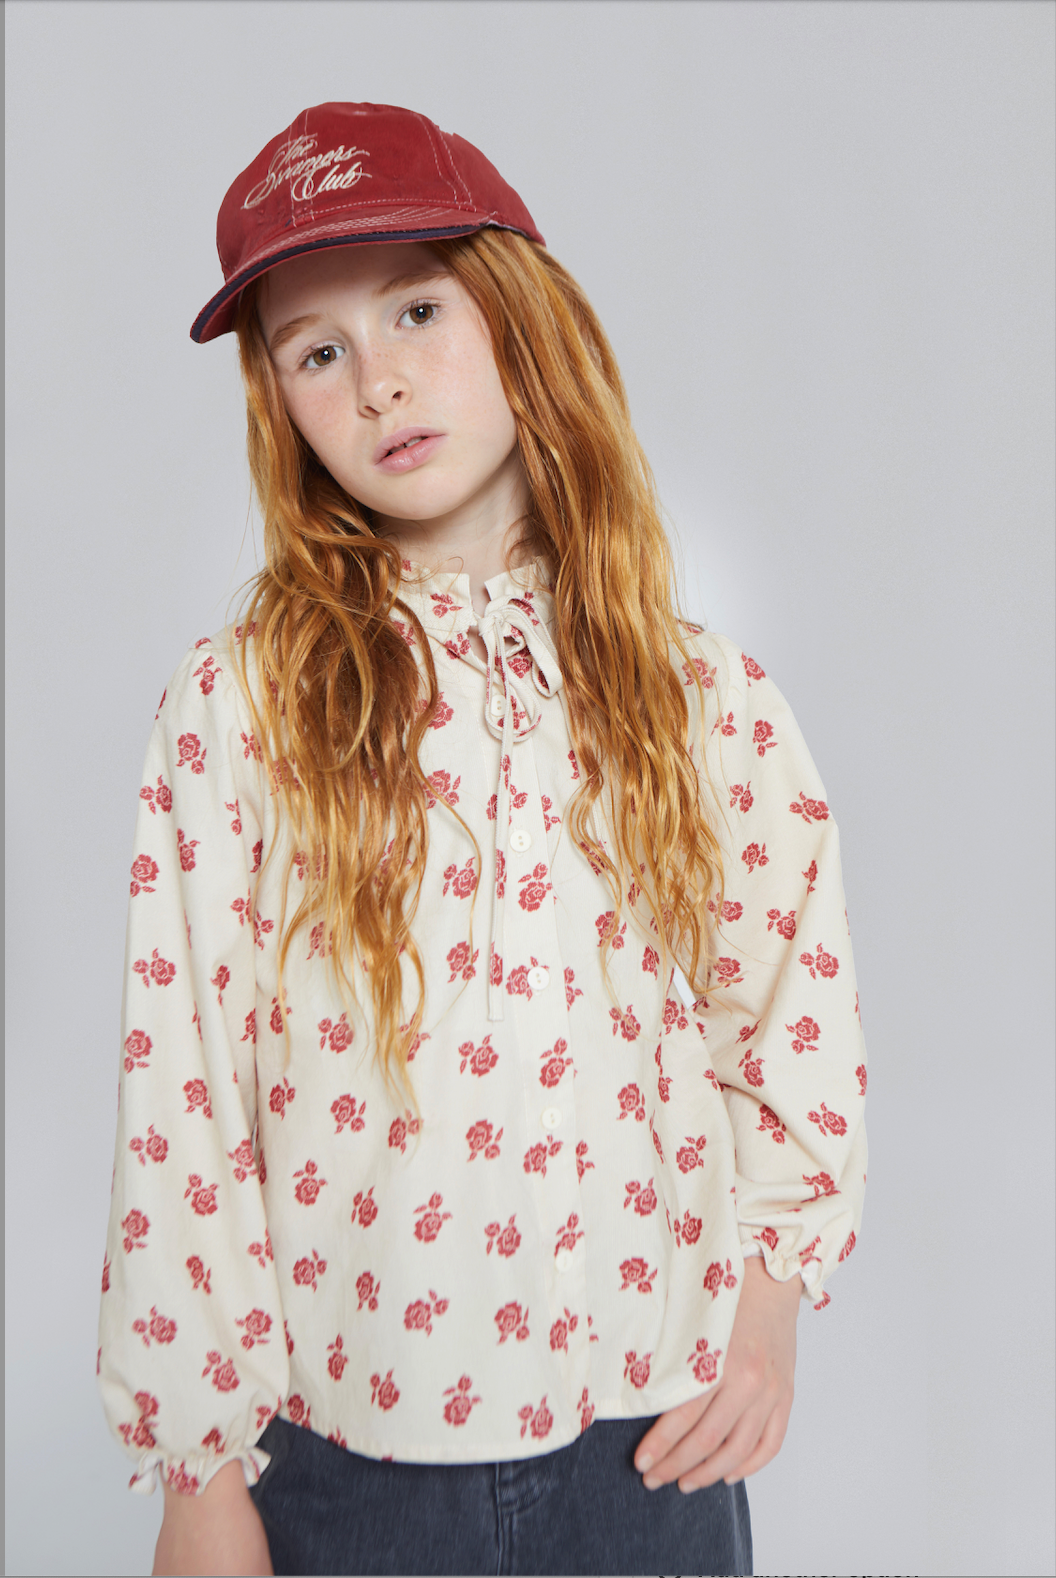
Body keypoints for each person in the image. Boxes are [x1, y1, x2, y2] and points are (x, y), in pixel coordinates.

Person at [97, 102, 867, 1578]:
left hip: (648, 1442)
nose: (379, 380)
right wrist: (198, 1472)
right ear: (277, 401)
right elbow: (183, 1085)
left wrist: (768, 1307)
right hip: (345, 1461)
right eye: (315, 352)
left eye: (417, 310)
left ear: (517, 313)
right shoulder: (242, 705)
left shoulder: (700, 697)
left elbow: (786, 1013)